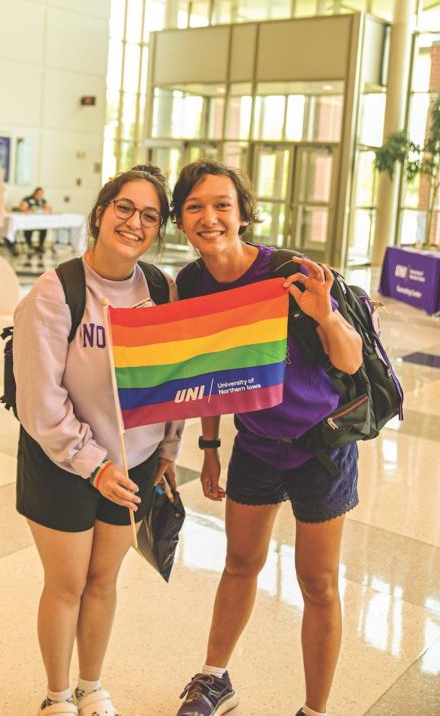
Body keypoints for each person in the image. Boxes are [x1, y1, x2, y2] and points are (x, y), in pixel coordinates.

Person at [171, 159, 363, 716]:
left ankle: (315, 709)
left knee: (317, 582)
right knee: (239, 563)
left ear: (243, 213)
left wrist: (324, 315)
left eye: (222, 205)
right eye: (195, 207)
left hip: (320, 447)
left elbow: (348, 361)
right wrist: (208, 448)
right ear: (182, 221)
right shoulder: (191, 282)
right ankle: (215, 680)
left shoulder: (290, 269)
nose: (210, 217)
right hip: (254, 443)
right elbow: (205, 372)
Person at [13, 165, 183, 716]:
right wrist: (92, 464)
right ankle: (57, 696)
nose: (135, 222)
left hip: (131, 466)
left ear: (158, 230)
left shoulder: (161, 289)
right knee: (66, 584)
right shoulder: (55, 291)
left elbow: (174, 379)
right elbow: (40, 402)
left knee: (104, 581)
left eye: (150, 216)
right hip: (62, 463)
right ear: (102, 212)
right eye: (125, 208)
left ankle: (91, 687)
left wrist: (166, 451)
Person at [18, 186, 52, 251]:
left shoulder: (43, 200)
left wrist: (43, 210)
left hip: (39, 222)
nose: (40, 195)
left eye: (41, 194)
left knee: (44, 229)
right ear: (35, 193)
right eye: (38, 194)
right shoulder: (28, 199)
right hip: (28, 222)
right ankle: (29, 245)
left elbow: (48, 208)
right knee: (28, 230)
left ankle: (41, 245)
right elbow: (22, 208)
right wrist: (31, 210)